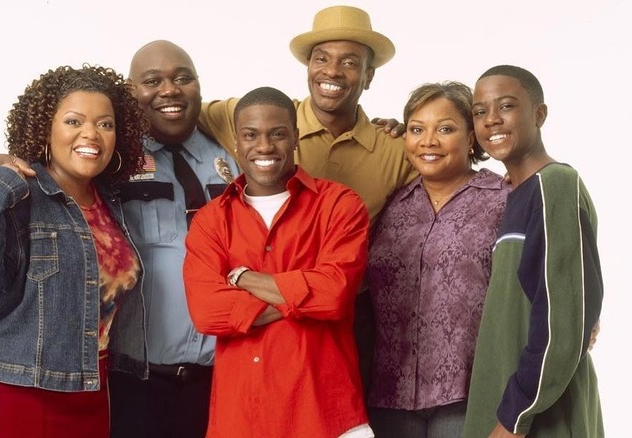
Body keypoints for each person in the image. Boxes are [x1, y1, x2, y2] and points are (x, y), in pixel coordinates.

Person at [196, 3, 417, 399]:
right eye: (322, 58)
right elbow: (169, 105)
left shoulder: (395, 149)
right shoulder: (262, 118)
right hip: (257, 320)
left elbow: (449, 166)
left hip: (348, 317)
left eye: (350, 62)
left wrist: (507, 177)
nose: (332, 71)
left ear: (369, 76)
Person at [0, 64, 147, 438]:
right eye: (74, 121)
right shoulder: (17, 192)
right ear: (45, 130)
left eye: (105, 124)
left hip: (88, 391)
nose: (91, 134)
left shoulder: (113, 204)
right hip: (5, 388)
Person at [183, 86, 373, 437]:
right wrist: (304, 297)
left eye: (278, 134)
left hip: (326, 414)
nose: (265, 147)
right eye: (251, 135)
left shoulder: (340, 205)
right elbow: (207, 312)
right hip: (241, 419)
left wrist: (241, 278)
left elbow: (333, 295)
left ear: (296, 137)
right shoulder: (211, 221)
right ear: (236, 143)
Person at [107, 40, 239, 438]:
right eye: (153, 81)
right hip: (137, 386)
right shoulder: (111, 159)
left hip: (224, 381)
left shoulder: (233, 155)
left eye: (183, 78)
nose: (169, 90)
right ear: (130, 93)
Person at [463, 65, 603, 437]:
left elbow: (561, 322)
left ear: (539, 114)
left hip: (539, 419)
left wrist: (514, 418)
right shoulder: (516, 195)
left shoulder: (556, 184)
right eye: (479, 112)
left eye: (506, 106)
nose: (491, 120)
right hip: (506, 409)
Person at [367, 81, 510, 438]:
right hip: (388, 394)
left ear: (472, 136)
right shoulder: (391, 205)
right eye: (416, 129)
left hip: (468, 393)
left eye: (445, 129)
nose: (427, 141)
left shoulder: (504, 199)